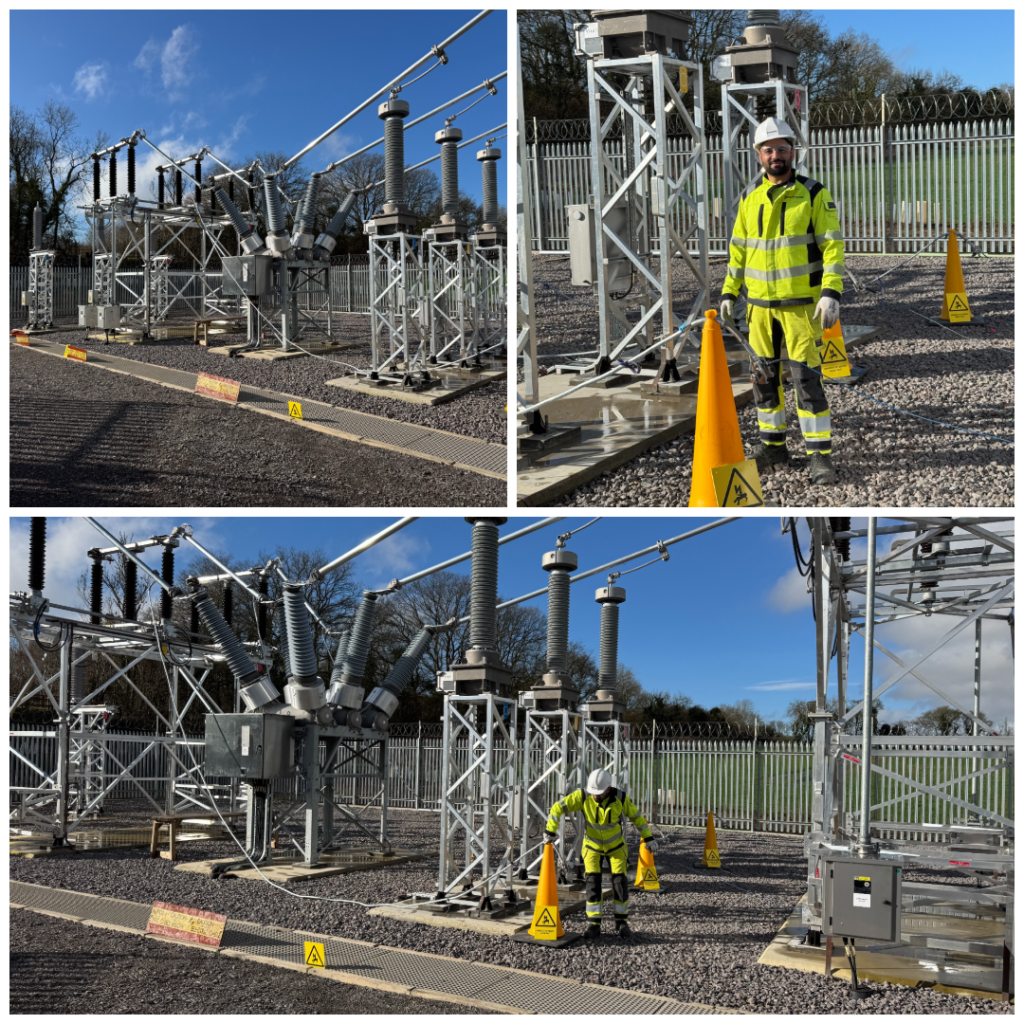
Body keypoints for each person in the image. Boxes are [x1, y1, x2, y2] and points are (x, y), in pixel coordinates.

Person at [720, 116, 845, 486]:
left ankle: (819, 456)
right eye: (769, 149)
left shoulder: (813, 193)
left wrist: (831, 291)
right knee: (763, 382)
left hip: (802, 310)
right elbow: (738, 250)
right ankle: (773, 447)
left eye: (782, 148)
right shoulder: (749, 197)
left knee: (807, 383)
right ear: (758, 155)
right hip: (759, 311)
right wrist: (729, 290)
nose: (776, 155)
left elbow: (833, 247)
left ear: (793, 152)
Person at [545, 768, 655, 939]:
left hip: (616, 847)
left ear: (608, 789)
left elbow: (637, 817)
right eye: (593, 793)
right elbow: (557, 808)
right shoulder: (583, 796)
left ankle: (621, 923)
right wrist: (550, 831)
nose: (594, 796)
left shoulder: (621, 798)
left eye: (598, 793)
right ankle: (593, 925)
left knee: (620, 883)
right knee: (592, 884)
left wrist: (648, 838)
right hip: (592, 848)